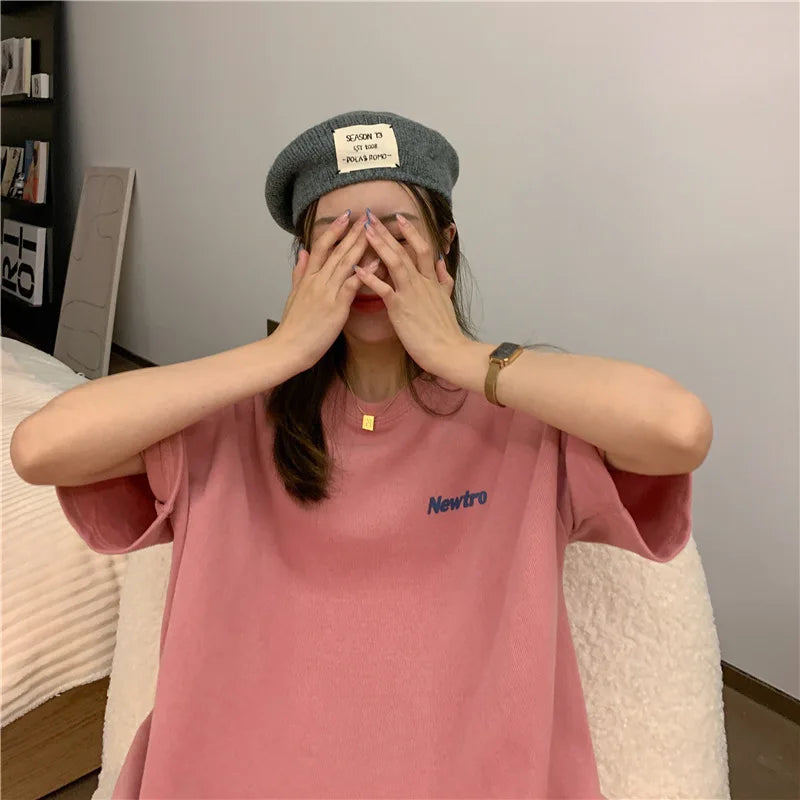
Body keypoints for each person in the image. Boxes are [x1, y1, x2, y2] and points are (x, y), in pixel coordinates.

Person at [10, 110, 713, 799]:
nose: (371, 261)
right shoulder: (227, 423)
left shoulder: (523, 418)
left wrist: (460, 356)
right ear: (303, 265)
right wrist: (280, 351)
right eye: (342, 238)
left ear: (447, 248)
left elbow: (679, 429)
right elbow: (41, 449)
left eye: (398, 233)